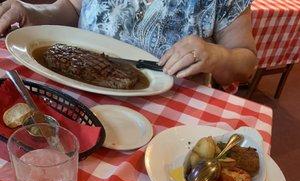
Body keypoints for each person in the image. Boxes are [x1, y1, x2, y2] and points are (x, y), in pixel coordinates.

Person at [0, 0, 257, 86]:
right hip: (76, 93)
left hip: (166, 119)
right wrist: (33, 14)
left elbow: (245, 62)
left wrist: (217, 56)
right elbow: (71, 8)